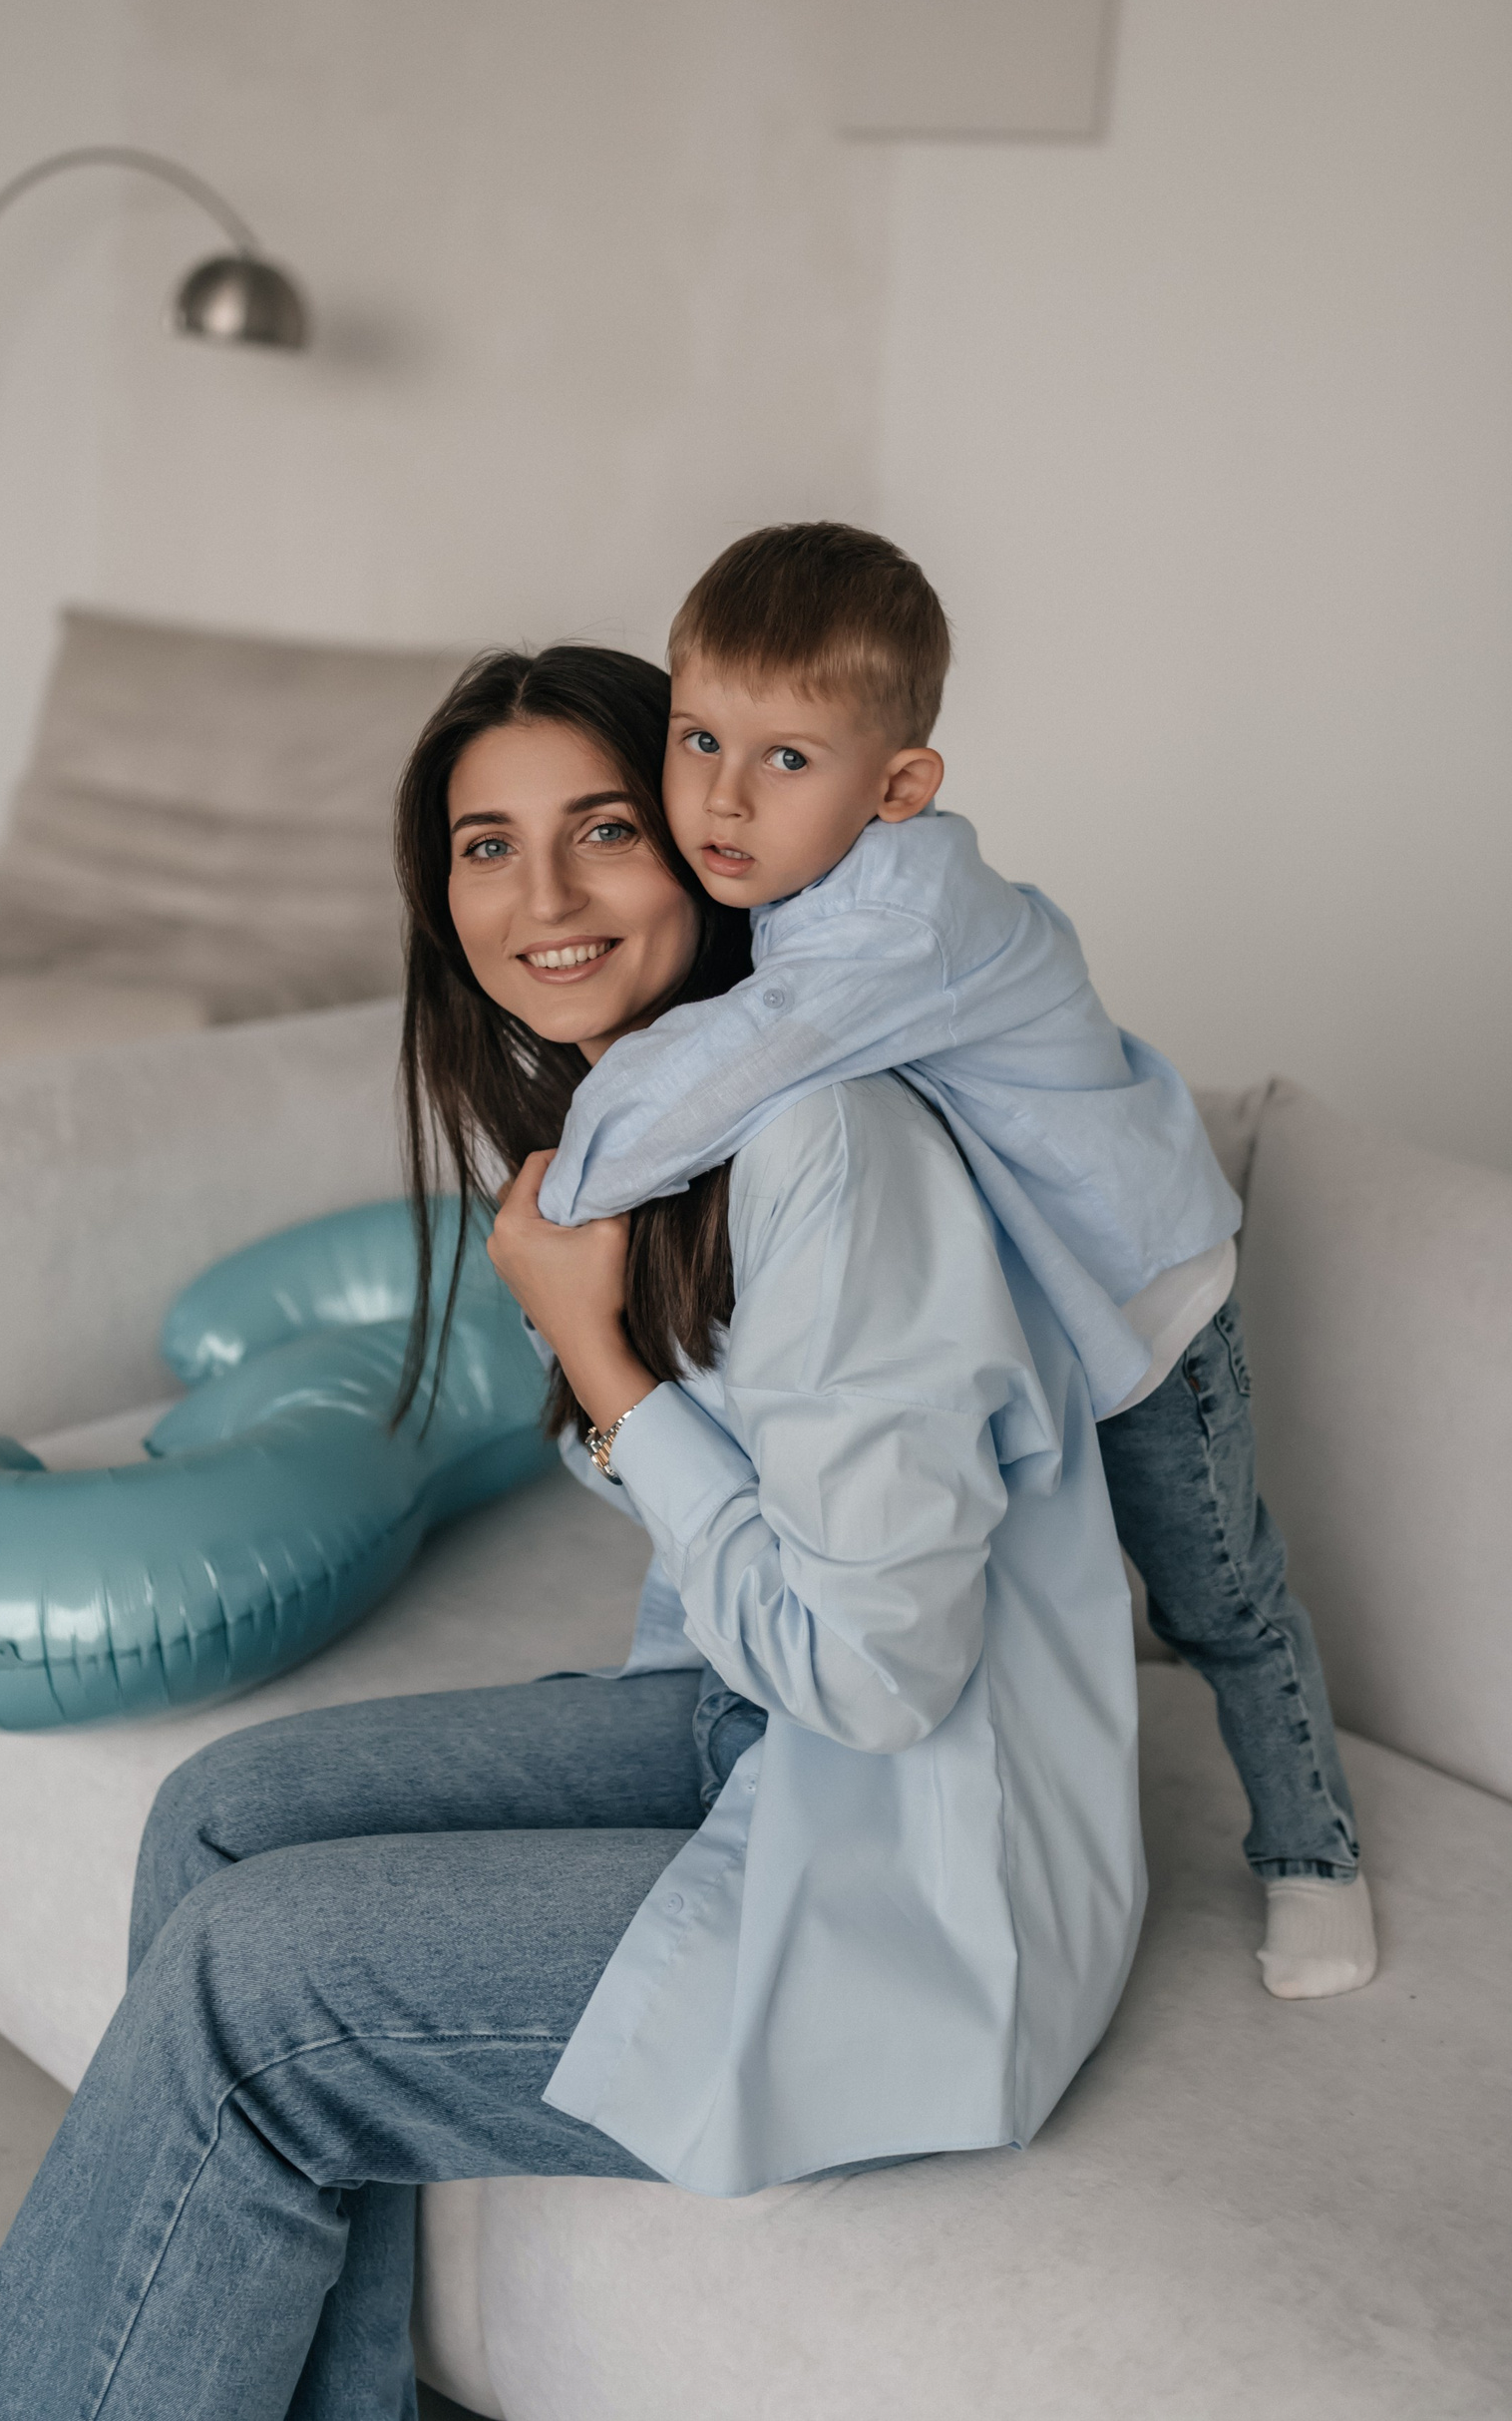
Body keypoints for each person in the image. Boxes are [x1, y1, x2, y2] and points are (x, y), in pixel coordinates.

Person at [0, 644, 1145, 2421]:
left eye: (605, 828)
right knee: (218, 1816)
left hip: (924, 1881)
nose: (544, 896)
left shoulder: (832, 1146)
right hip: (751, 1729)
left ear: (712, 845)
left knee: (253, 1996)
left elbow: (882, 1676)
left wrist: (605, 1365)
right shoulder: (639, 1132)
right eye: (488, 846)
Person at [538, 521, 1374, 1999]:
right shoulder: (792, 894)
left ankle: (1313, 1852)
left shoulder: (899, 921)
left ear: (900, 787)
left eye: (788, 758)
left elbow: (703, 1088)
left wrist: (556, 1212)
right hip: (1019, 1316)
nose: (723, 797)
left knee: (1219, 1599)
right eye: (699, 738)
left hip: (1139, 1312)